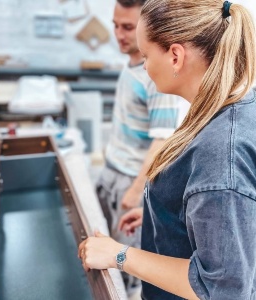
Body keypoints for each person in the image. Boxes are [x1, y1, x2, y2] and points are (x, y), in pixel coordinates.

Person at [80, 0, 256, 299]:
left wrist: (119, 255)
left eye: (146, 55)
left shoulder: (220, 154)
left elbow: (220, 289)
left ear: (175, 56)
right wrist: (165, 216)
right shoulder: (228, 107)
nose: (145, 65)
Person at [96, 0, 182, 295]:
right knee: (104, 250)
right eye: (115, 26)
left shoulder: (156, 78)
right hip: (111, 172)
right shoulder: (131, 65)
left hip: (130, 182)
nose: (119, 34)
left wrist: (135, 192)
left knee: (126, 267)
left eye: (128, 27)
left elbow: (162, 140)